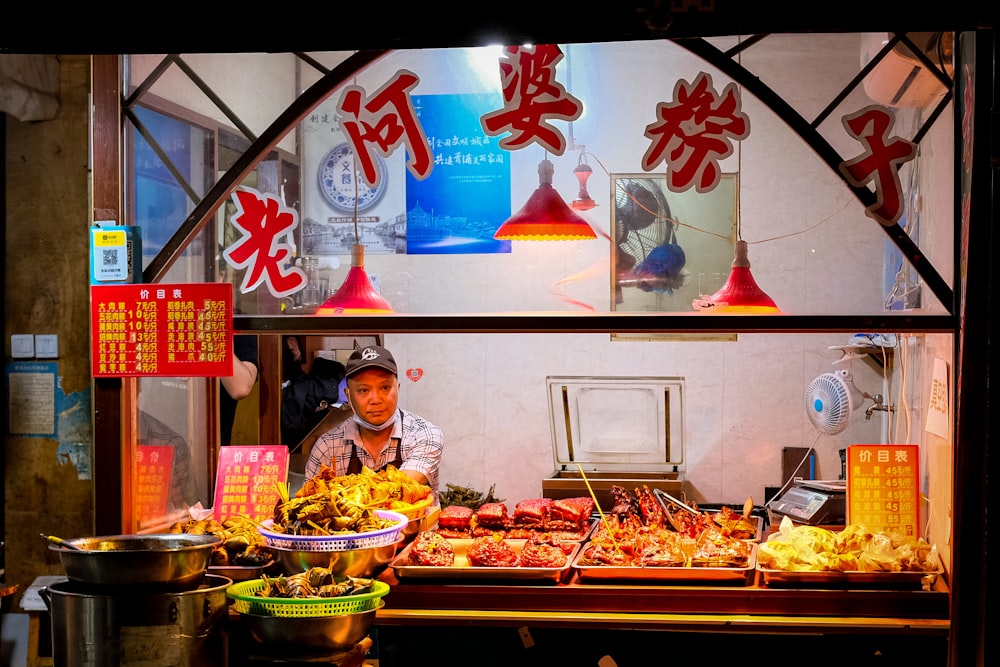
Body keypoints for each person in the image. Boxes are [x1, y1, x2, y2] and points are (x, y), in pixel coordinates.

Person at [305, 344, 443, 493]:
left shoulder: (424, 434)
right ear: (349, 395)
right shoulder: (326, 447)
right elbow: (310, 502)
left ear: (398, 388)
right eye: (363, 390)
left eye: (385, 388)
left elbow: (404, 486)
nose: (375, 399)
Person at [220, 334, 259, 445]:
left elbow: (240, 388)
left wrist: (212, 334)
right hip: (168, 436)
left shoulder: (240, 327)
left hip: (211, 447)